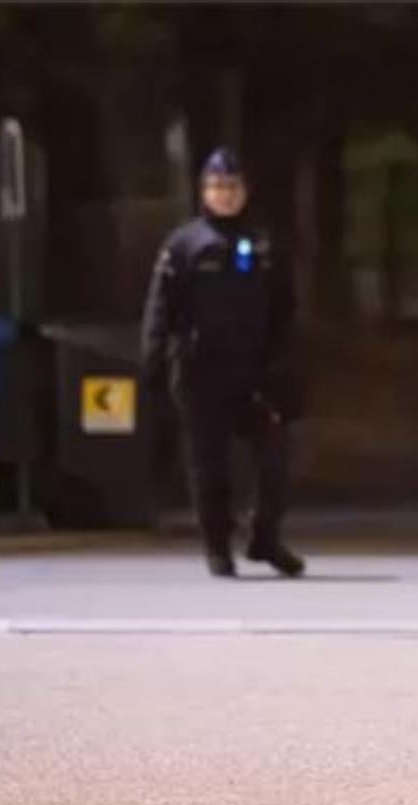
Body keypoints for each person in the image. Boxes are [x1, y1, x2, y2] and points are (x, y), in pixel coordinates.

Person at [141, 147, 305, 579]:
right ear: (204, 192)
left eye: (232, 186)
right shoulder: (184, 244)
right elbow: (160, 310)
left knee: (275, 460)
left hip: (256, 371)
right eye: (216, 186)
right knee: (208, 465)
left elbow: (286, 310)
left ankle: (264, 538)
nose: (225, 194)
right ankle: (217, 547)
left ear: (244, 190)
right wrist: (153, 364)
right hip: (200, 372)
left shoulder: (267, 242)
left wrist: (285, 364)